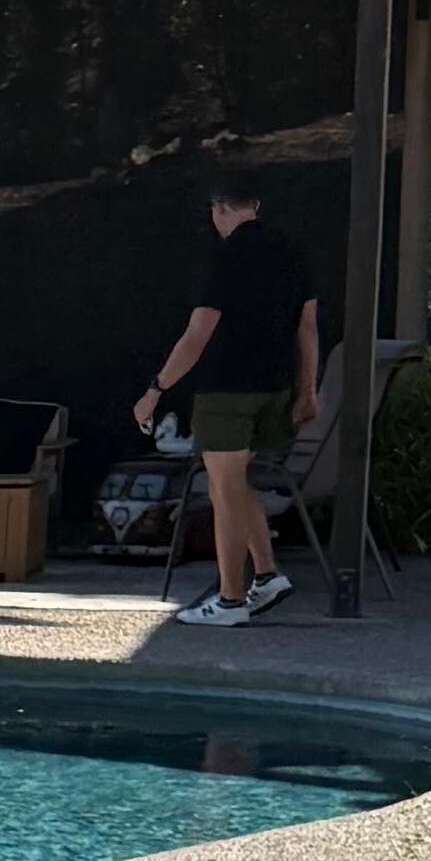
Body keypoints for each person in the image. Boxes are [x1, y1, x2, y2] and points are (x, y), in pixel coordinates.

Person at [135, 174, 323, 625]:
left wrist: (155, 390)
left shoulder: (225, 256)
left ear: (219, 209)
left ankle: (231, 600)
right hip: (275, 387)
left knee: (222, 489)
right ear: (255, 205)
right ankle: (267, 574)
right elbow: (307, 327)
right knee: (235, 482)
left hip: (227, 389)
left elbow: (198, 333)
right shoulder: (292, 251)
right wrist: (308, 390)